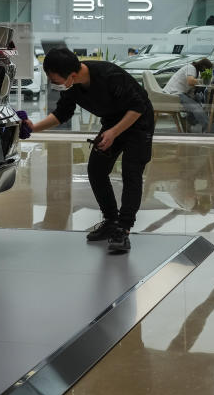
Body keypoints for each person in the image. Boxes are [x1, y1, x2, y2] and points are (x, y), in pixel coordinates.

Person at [22, 48, 154, 253]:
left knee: (131, 171)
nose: (54, 84)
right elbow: (61, 114)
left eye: (55, 79)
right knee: (96, 169)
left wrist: (113, 133)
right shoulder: (72, 86)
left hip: (138, 122)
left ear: (71, 75)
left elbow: (138, 106)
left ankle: (123, 228)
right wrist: (33, 128)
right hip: (112, 123)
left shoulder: (110, 75)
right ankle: (111, 220)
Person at [163, 58, 213, 131]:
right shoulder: (191, 68)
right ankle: (208, 128)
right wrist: (204, 81)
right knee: (196, 107)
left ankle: (189, 121)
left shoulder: (195, 71)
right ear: (203, 67)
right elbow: (190, 81)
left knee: (198, 102)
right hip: (174, 93)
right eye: (206, 69)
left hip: (179, 92)